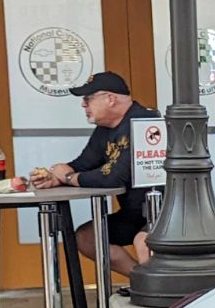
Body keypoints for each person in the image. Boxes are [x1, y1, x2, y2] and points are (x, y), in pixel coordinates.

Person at [31, 71, 159, 276]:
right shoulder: (106, 128)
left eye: (88, 99)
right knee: (87, 238)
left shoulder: (144, 123)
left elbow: (114, 178)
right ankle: (141, 281)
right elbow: (84, 163)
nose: (83, 105)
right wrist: (54, 177)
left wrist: (67, 177)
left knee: (143, 242)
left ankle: (161, 300)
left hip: (166, 212)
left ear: (110, 99)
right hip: (134, 213)